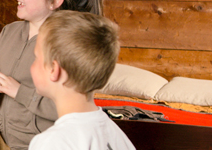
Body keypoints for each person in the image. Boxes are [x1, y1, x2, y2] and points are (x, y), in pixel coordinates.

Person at [0, 0, 104, 150]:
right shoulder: (9, 32)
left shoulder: (70, 43)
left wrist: (19, 92)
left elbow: (71, 108)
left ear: (55, 0)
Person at [28, 10, 135, 150]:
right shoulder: (116, 135)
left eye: (36, 57)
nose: (32, 64)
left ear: (54, 70)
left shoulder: (52, 142)